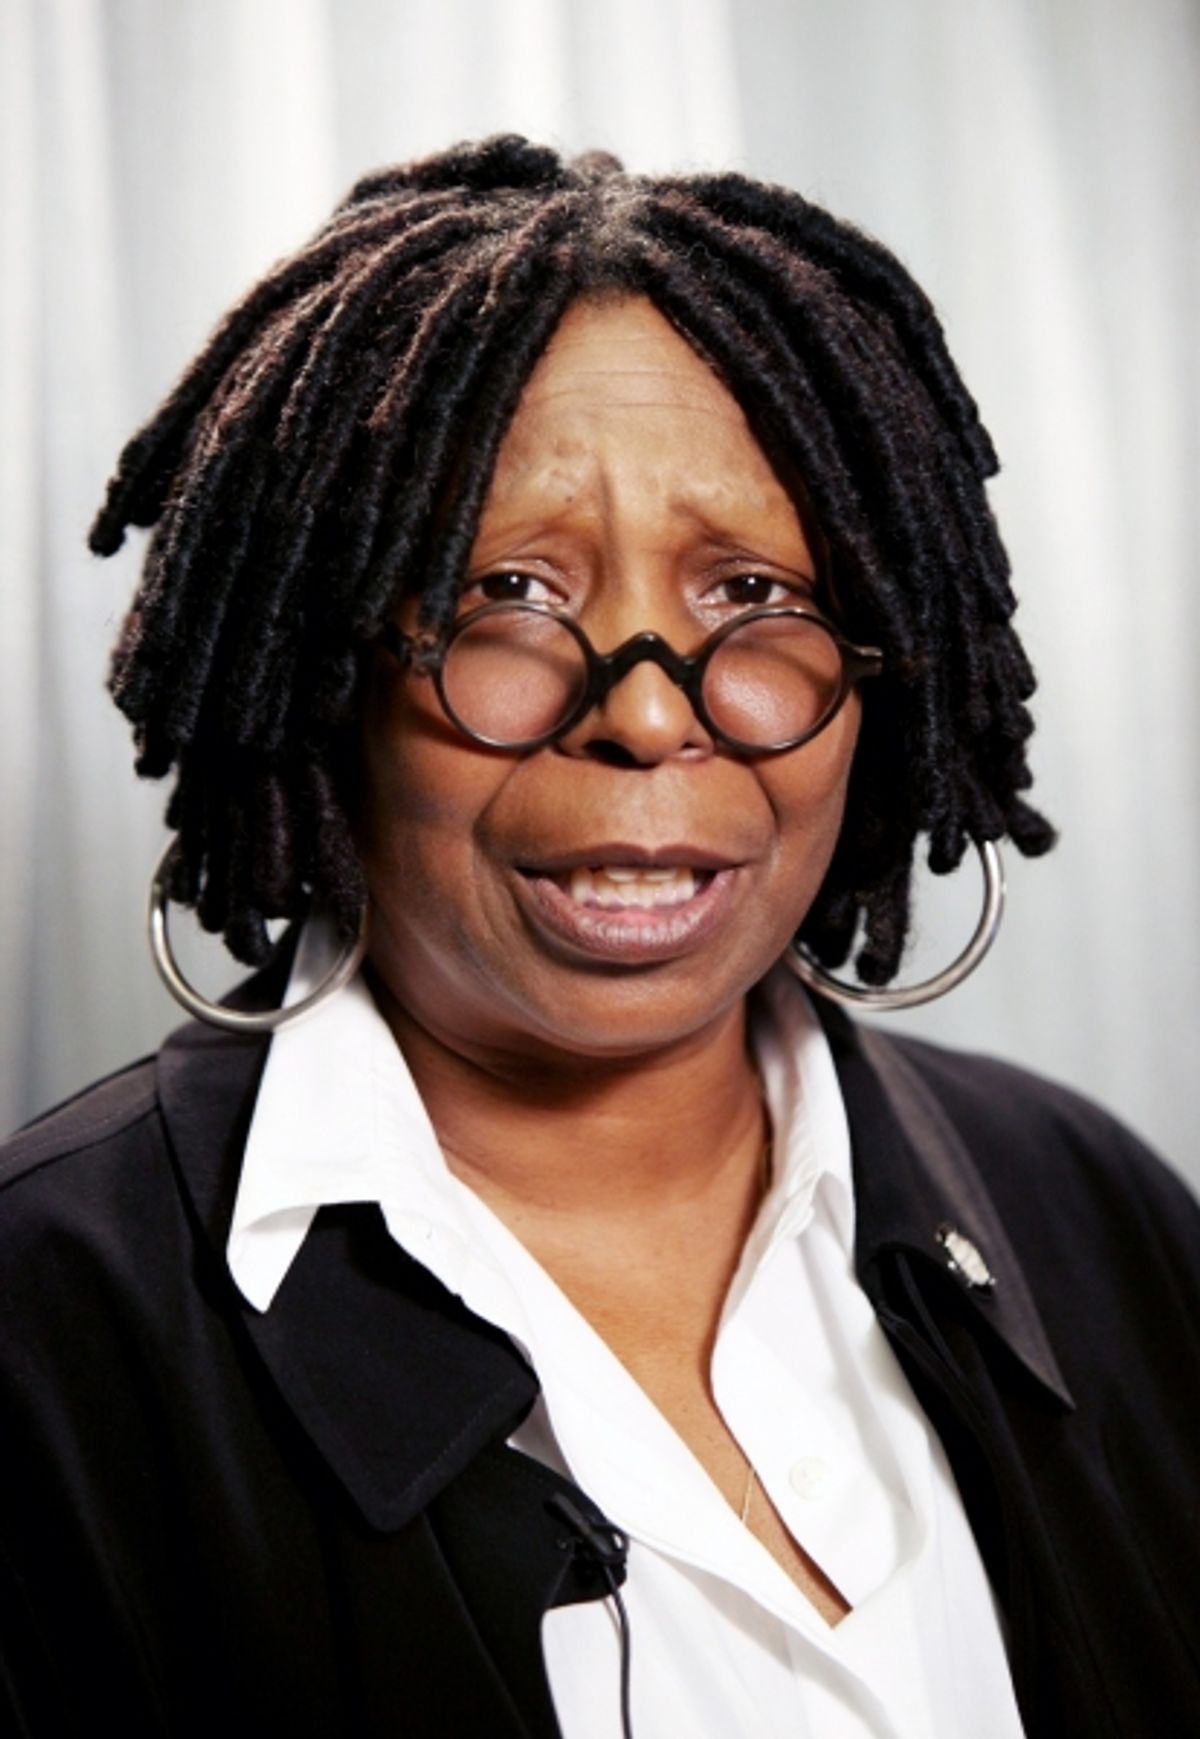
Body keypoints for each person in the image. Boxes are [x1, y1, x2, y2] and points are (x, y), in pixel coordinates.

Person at [1, 135, 1196, 1739]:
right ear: (316, 668)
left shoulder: (1098, 1217)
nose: (643, 715)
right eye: (509, 590)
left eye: (754, 591)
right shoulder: (44, 1335)